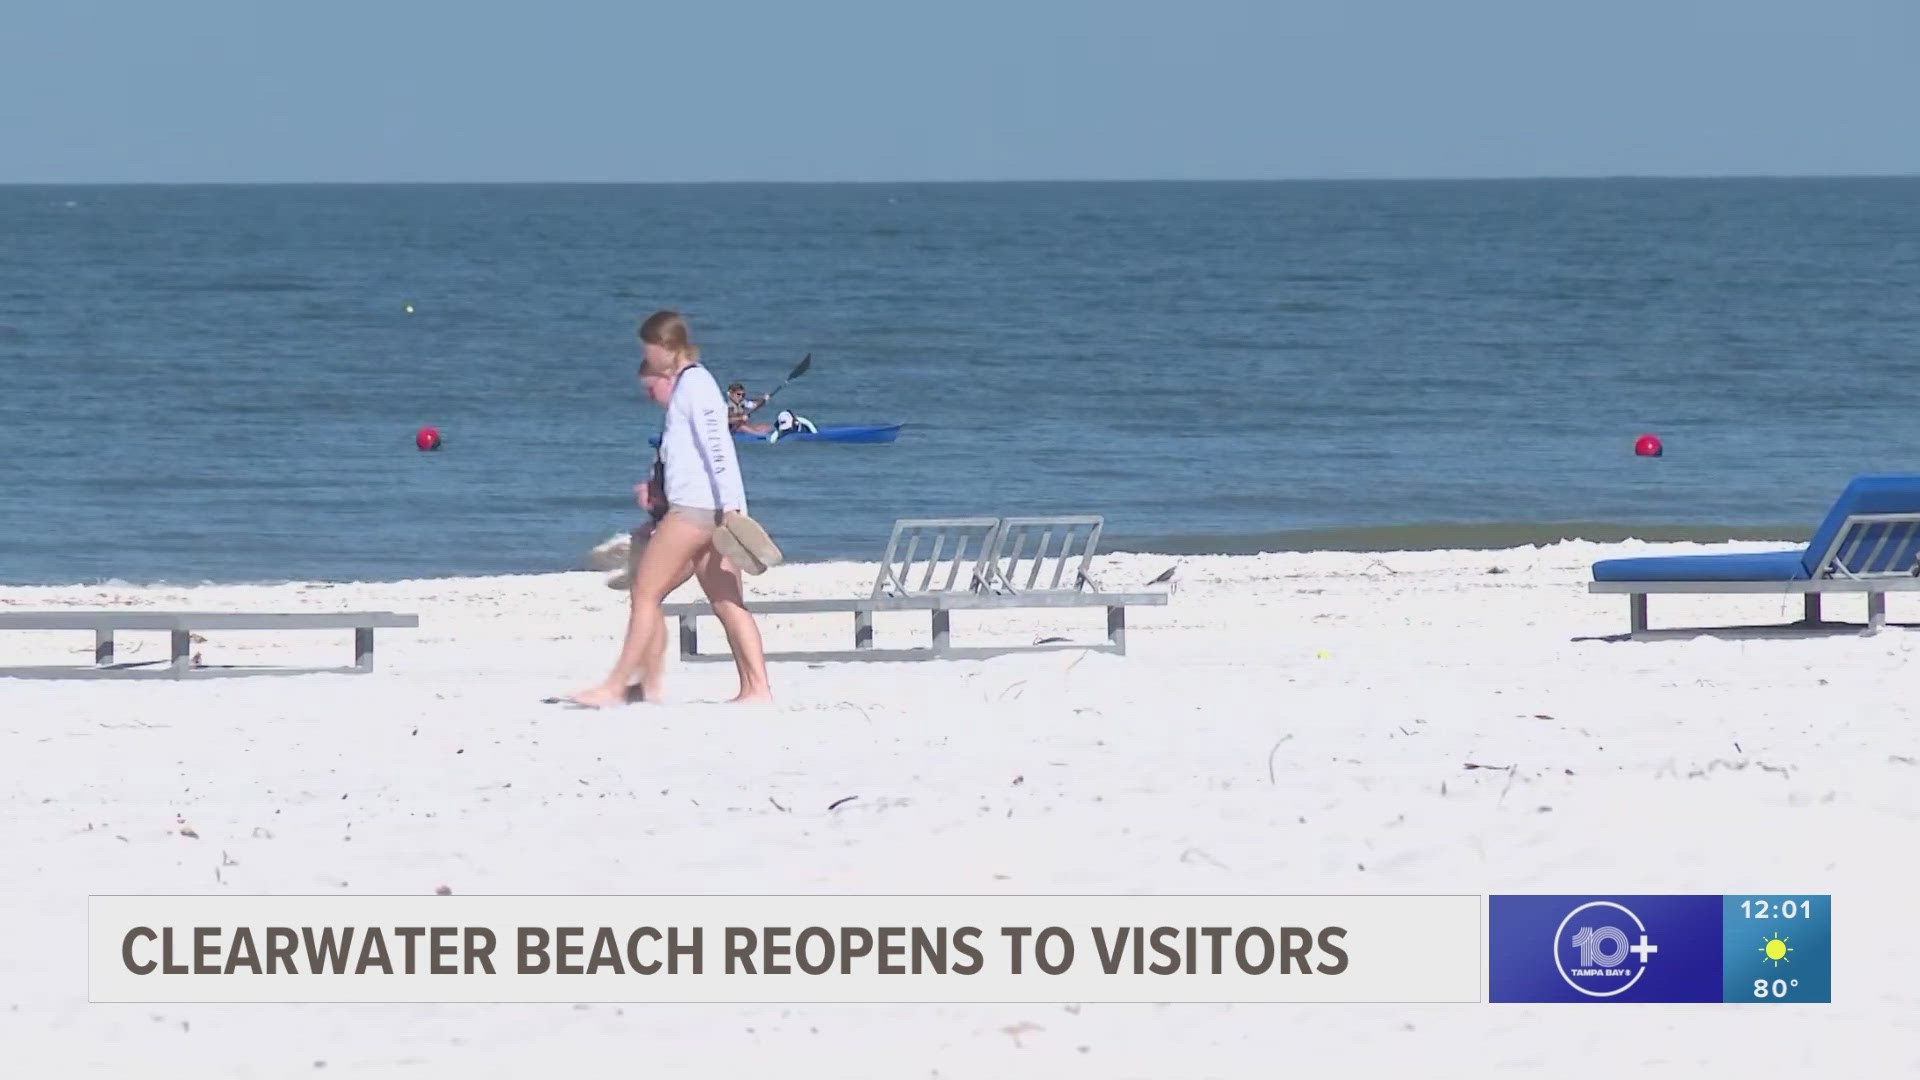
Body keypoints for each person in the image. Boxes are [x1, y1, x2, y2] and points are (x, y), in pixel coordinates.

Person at [569, 311, 772, 706]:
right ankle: (757, 689)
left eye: (649, 351)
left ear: (666, 347)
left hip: (697, 509)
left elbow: (718, 449)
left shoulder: (695, 385)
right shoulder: (692, 386)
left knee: (645, 591)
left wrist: (732, 509)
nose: (649, 360)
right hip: (707, 508)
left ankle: (616, 687)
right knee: (726, 600)